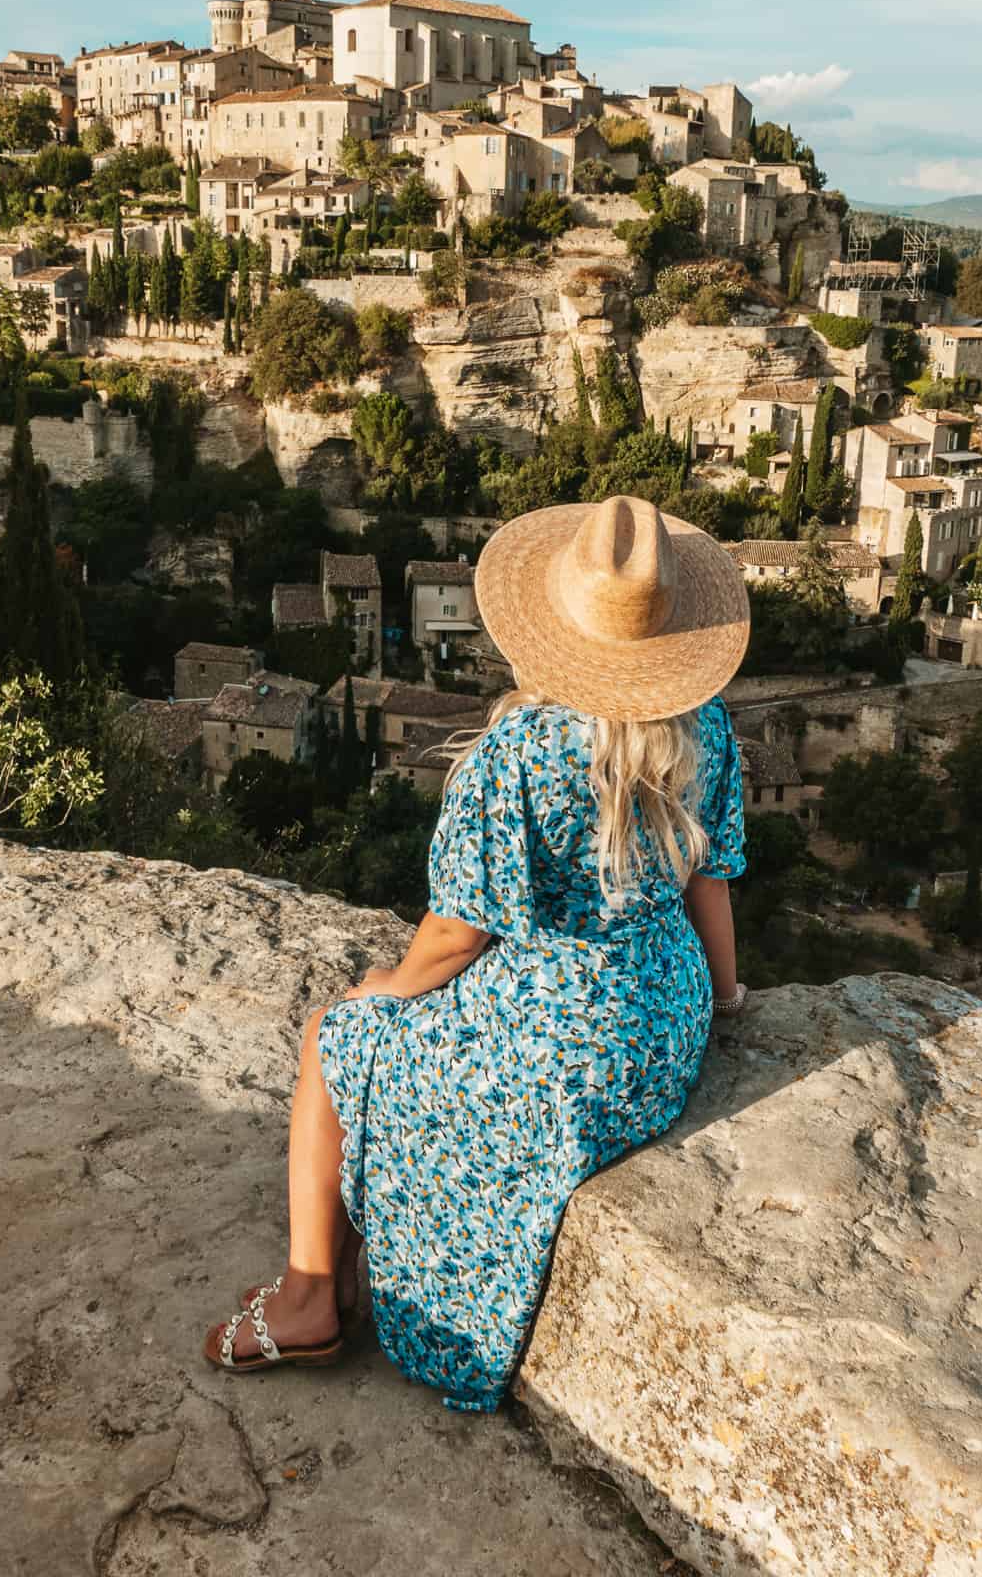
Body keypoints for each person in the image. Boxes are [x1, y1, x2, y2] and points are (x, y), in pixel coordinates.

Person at [205, 493, 751, 1411]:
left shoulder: (521, 749)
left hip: (559, 1036)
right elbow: (711, 881)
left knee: (333, 1039)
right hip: (661, 1025)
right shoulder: (704, 727)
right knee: (373, 1035)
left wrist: (386, 986)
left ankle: (307, 1295)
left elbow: (461, 929)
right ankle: (339, 1276)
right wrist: (725, 1000)